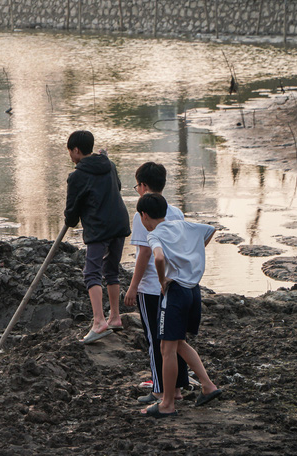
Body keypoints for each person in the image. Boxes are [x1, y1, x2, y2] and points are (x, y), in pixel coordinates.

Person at [135, 193, 222, 418]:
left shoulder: (154, 235)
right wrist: (191, 255)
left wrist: (163, 280)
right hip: (194, 291)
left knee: (167, 349)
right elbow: (210, 230)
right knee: (179, 343)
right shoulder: (183, 225)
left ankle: (167, 403)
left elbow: (159, 258)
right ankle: (208, 385)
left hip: (176, 293)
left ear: (144, 216)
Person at [124, 162, 189, 404]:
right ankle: (178, 388)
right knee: (175, 338)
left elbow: (144, 254)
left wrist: (133, 287)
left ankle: (160, 390)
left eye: (137, 185)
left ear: (143, 186)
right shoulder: (176, 212)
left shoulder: (141, 215)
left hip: (152, 286)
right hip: (174, 282)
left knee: (155, 339)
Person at [63, 130, 131, 344]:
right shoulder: (108, 164)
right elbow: (117, 187)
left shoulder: (77, 176)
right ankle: (115, 317)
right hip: (119, 223)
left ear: (76, 150)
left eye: (70, 152)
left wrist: (71, 217)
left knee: (91, 274)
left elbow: (72, 215)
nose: (70, 157)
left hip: (99, 228)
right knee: (111, 270)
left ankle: (99, 322)